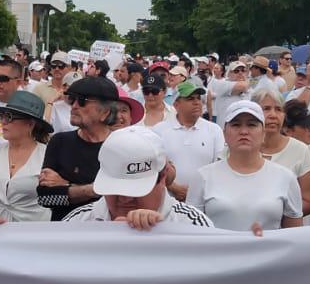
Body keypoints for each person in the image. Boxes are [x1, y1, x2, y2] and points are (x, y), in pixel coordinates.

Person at [62, 126, 213, 229]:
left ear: (163, 177)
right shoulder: (76, 223)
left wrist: (160, 234)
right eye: (114, 188)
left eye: (136, 190)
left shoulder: (192, 225)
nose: (125, 198)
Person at [185, 101, 302, 234]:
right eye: (236, 125)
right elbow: (192, 233)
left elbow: (294, 236)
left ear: (263, 133)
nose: (244, 131)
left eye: (252, 125)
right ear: (224, 134)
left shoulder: (286, 178)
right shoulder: (202, 176)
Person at [38, 76, 123, 220]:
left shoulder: (121, 147)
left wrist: (66, 186)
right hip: (66, 229)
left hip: (107, 230)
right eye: (72, 99)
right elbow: (45, 198)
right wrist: (95, 189)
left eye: (83, 101)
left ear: (105, 113)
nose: (74, 106)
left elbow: (121, 197)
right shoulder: (59, 142)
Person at [0, 90, 51, 221]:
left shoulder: (48, 156)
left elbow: (58, 201)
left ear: (30, 124)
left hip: (34, 233)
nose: (3, 122)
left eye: (9, 117)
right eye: (1, 116)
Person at [249, 92, 310, 215]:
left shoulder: (300, 150)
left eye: (278, 109)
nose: (273, 115)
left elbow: (309, 202)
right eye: (266, 109)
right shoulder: (240, 147)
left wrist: (274, 214)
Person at [156, 81, 223, 201]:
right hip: (167, 200)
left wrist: (196, 191)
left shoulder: (214, 130)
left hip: (204, 200)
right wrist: (173, 187)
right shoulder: (159, 130)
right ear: (176, 105)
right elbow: (154, 165)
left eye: (198, 98)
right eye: (190, 99)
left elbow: (219, 167)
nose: (197, 102)